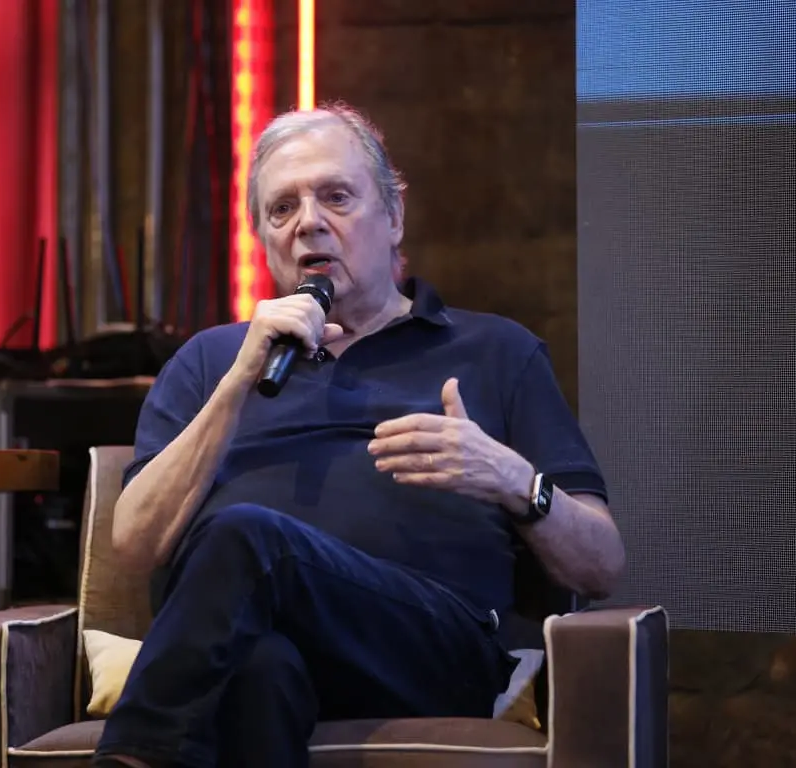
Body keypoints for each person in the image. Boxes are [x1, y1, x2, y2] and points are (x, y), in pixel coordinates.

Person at [93, 102, 625, 768]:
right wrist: (238, 383)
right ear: (263, 238)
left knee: (250, 537)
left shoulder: (497, 351)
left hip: (430, 650)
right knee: (257, 670)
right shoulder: (211, 361)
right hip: (259, 646)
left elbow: (601, 565)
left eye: (336, 197)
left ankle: (132, 755)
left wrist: (514, 479)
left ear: (394, 216)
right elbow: (135, 544)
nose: (309, 222)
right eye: (281, 209)